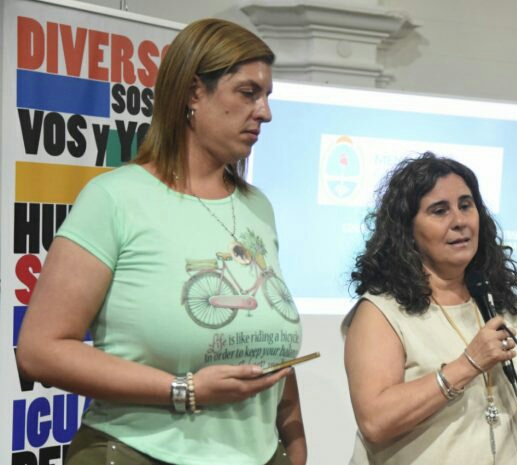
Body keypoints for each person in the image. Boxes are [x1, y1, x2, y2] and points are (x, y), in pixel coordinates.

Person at [17, 18, 306, 465]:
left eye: (267, 96)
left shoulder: (258, 207)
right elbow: (41, 351)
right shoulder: (115, 198)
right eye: (248, 93)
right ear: (193, 93)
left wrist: (295, 446)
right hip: (138, 453)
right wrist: (184, 390)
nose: (265, 112)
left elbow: (270, 346)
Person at [343, 152, 517, 465]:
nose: (459, 221)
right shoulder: (381, 312)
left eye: (466, 205)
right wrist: (467, 365)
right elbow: (375, 421)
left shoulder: (493, 298)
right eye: (440, 211)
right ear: (407, 231)